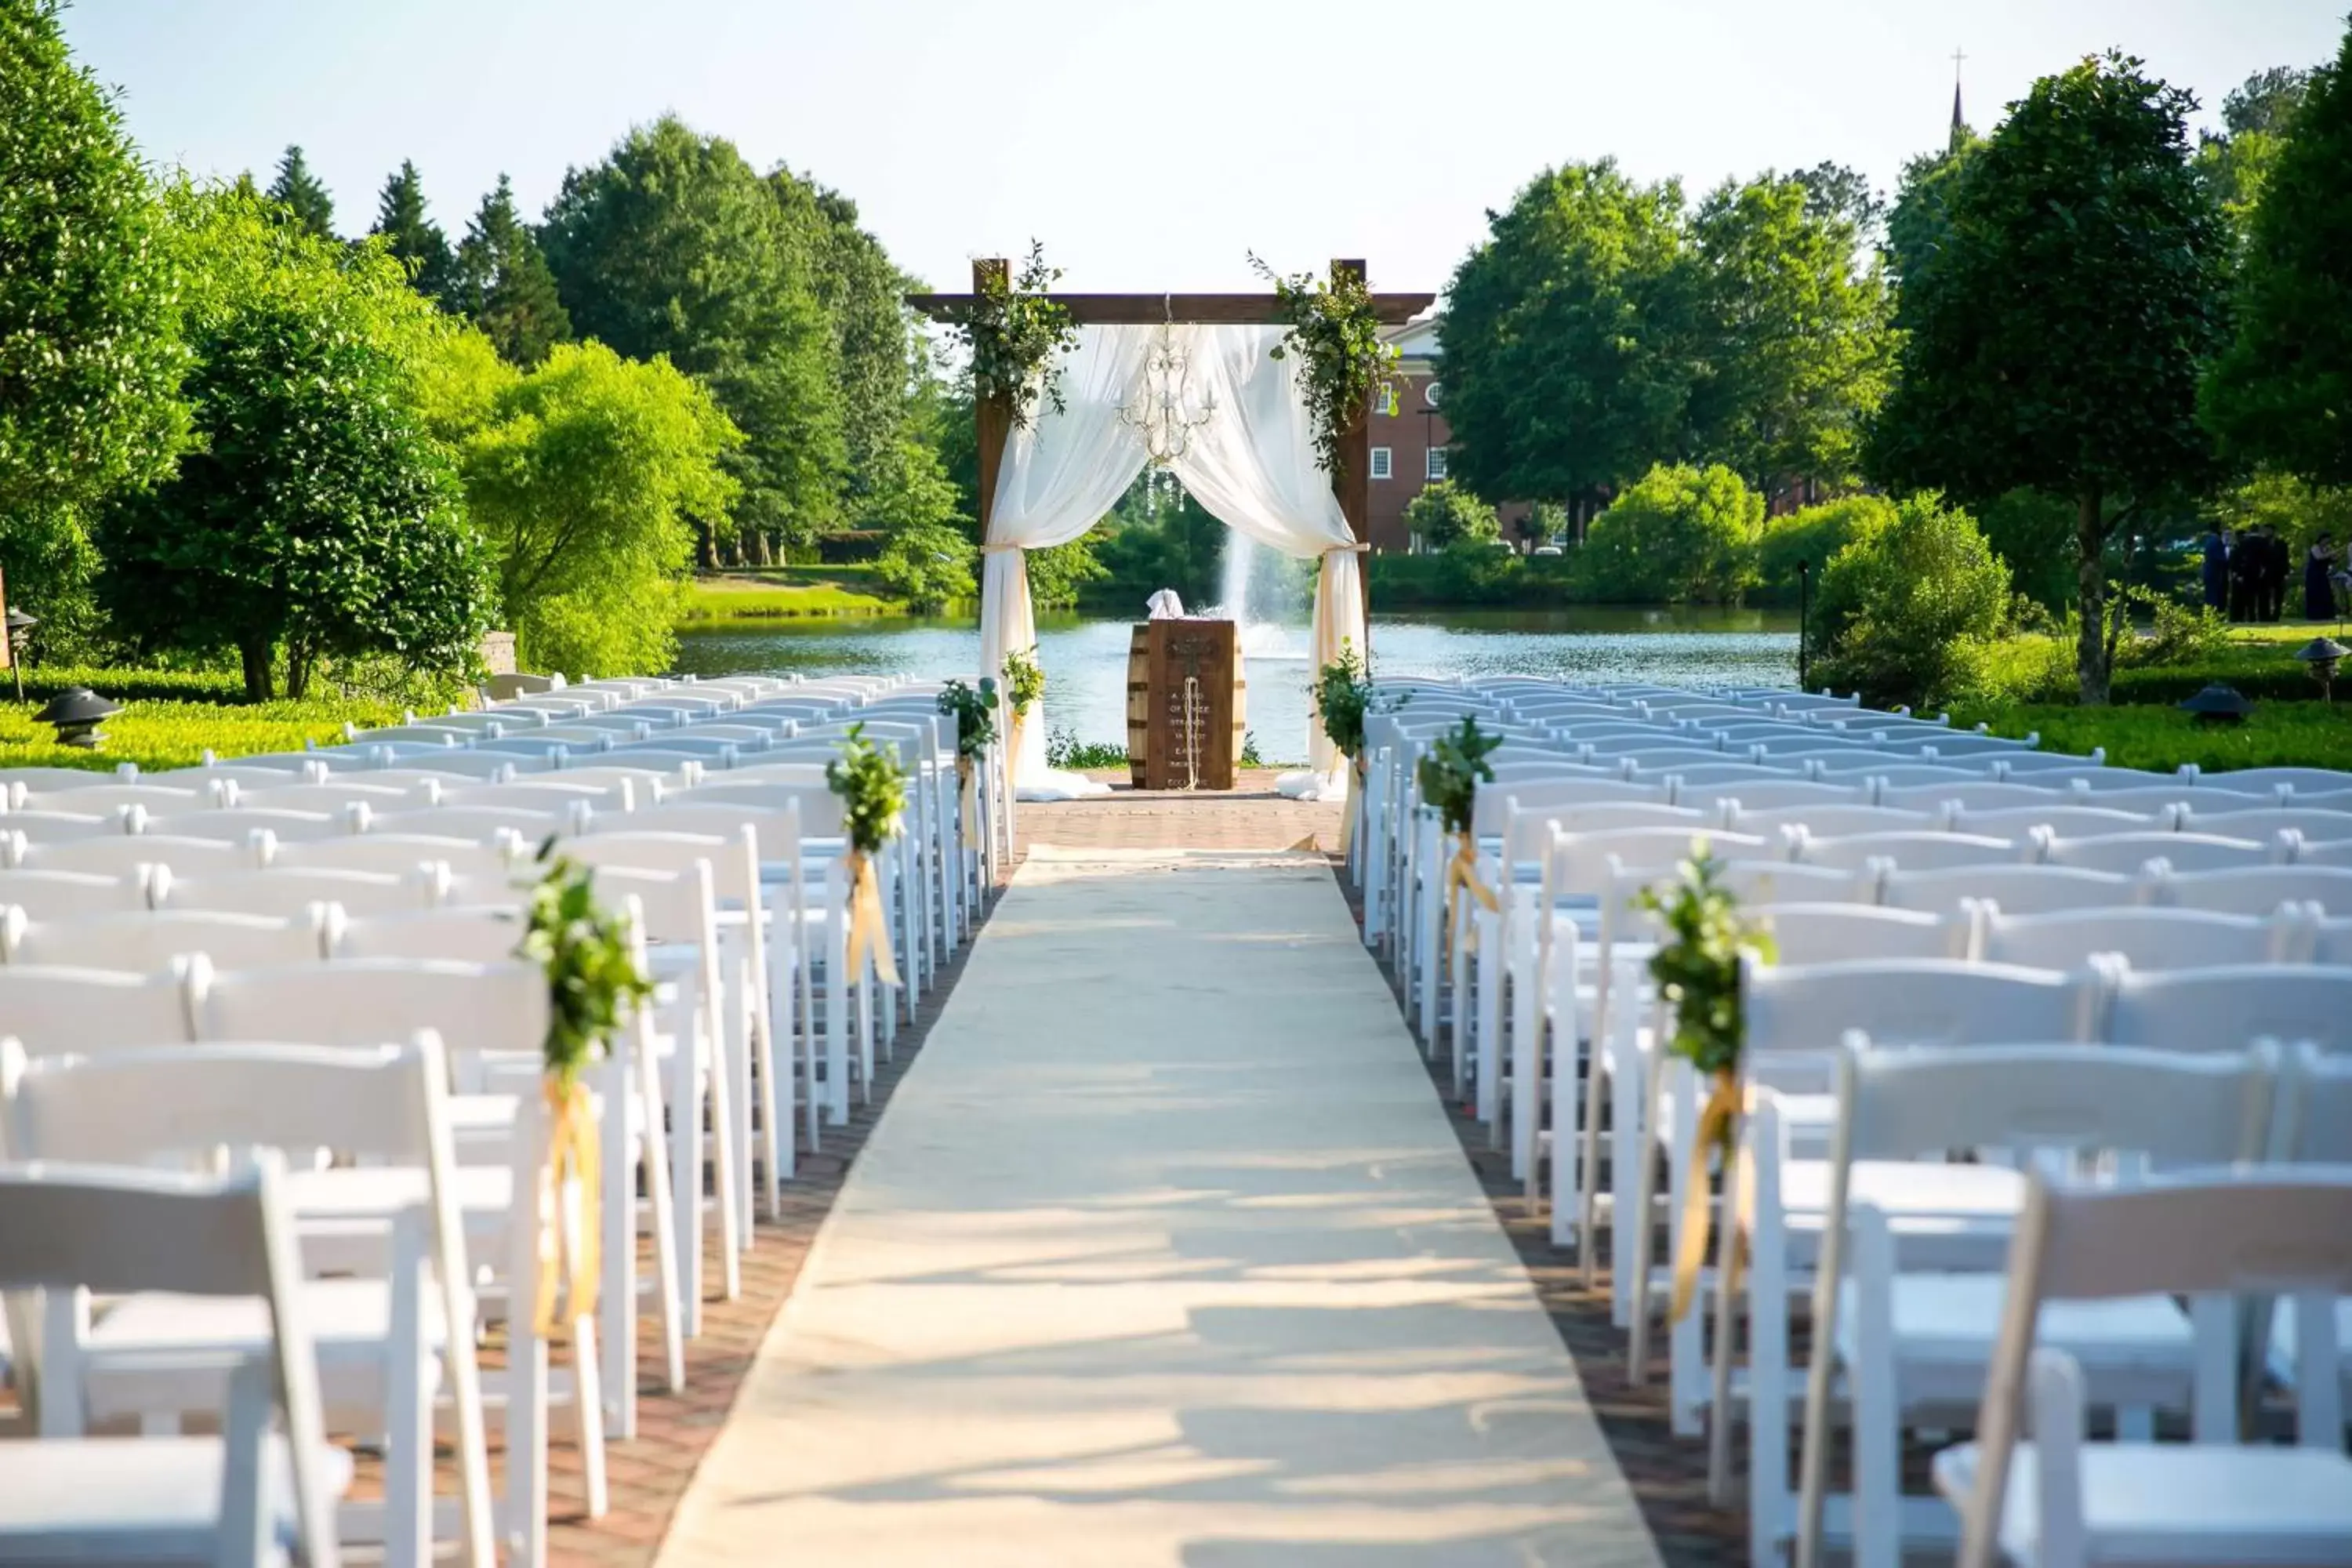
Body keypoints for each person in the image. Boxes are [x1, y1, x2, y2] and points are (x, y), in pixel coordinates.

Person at [2230, 527, 2263, 622]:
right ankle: (2247, 616)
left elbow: (2235, 562)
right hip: (2245, 574)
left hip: (2243, 575)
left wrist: (2237, 573)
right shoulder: (2241, 547)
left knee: (2242, 597)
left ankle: (2239, 616)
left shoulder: (2239, 547)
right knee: (2248, 597)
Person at [2307, 533, 2339, 622]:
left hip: (2323, 574)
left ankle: (2328, 614)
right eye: (2326, 539)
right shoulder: (2315, 547)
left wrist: (2335, 556)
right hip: (2313, 574)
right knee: (2315, 594)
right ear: (2321, 539)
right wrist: (2330, 553)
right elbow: (2319, 557)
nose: (2327, 542)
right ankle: (2314, 615)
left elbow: (2332, 560)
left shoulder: (2328, 548)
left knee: (2326, 593)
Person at [2201, 523, 2230, 613]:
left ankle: (2209, 613)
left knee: (2209, 594)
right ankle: (2214, 613)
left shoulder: (2209, 540)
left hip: (2209, 571)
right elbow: (2220, 558)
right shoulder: (2217, 541)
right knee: (2214, 594)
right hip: (2215, 572)